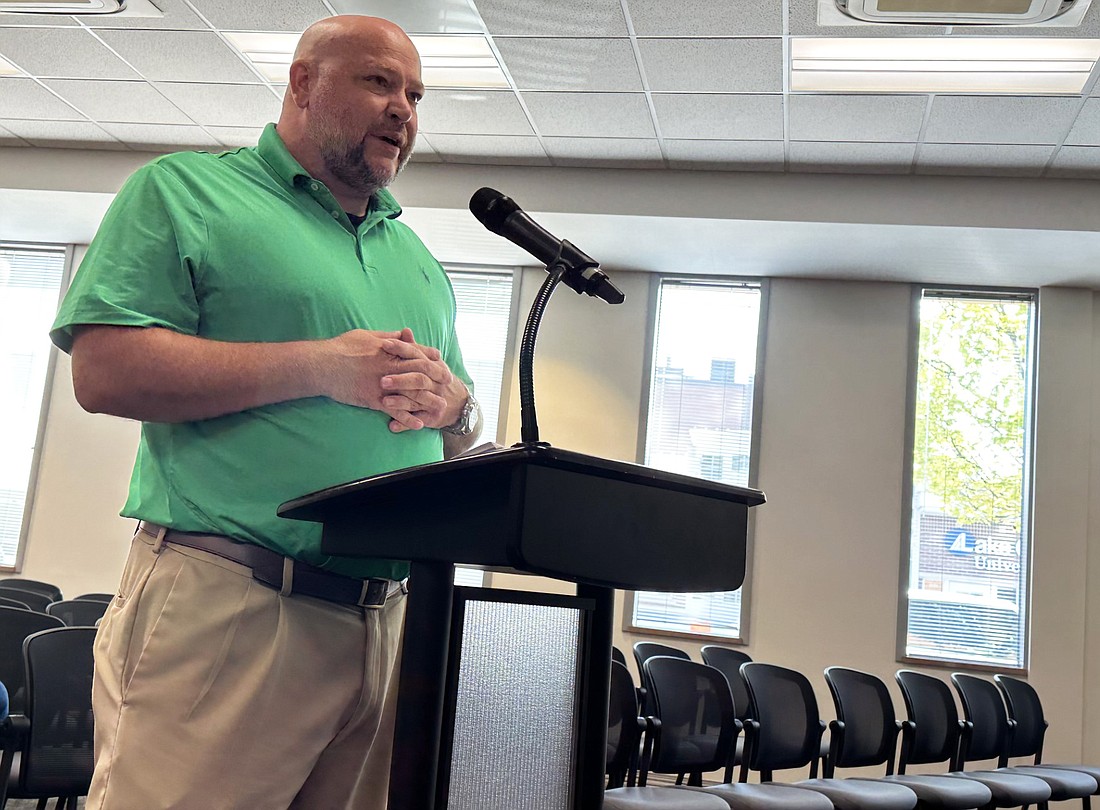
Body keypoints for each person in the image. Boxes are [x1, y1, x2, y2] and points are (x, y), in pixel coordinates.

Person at [49, 15, 481, 810]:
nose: (404, 110)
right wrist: (320, 365)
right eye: (379, 82)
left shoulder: (414, 259)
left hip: (384, 625)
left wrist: (458, 412)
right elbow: (103, 372)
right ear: (302, 82)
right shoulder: (186, 192)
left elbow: (452, 434)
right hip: (236, 606)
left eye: (415, 94)